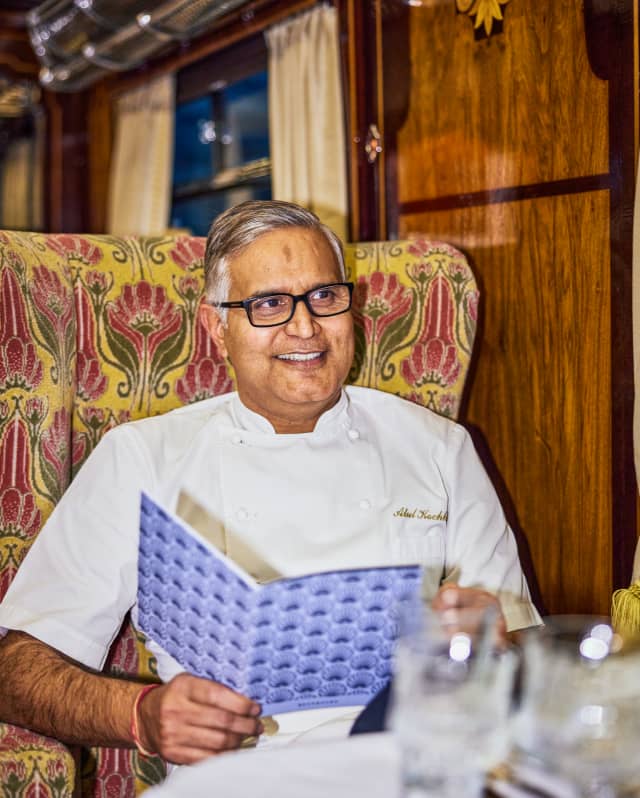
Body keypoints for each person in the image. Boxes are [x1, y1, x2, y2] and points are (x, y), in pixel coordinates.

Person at [0, 200, 540, 767]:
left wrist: (495, 645)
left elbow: (525, 641)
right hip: (244, 777)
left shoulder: (439, 447)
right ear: (217, 328)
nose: (304, 327)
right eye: (269, 304)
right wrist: (142, 715)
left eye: (325, 297)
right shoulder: (142, 458)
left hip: (417, 764)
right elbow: (16, 669)